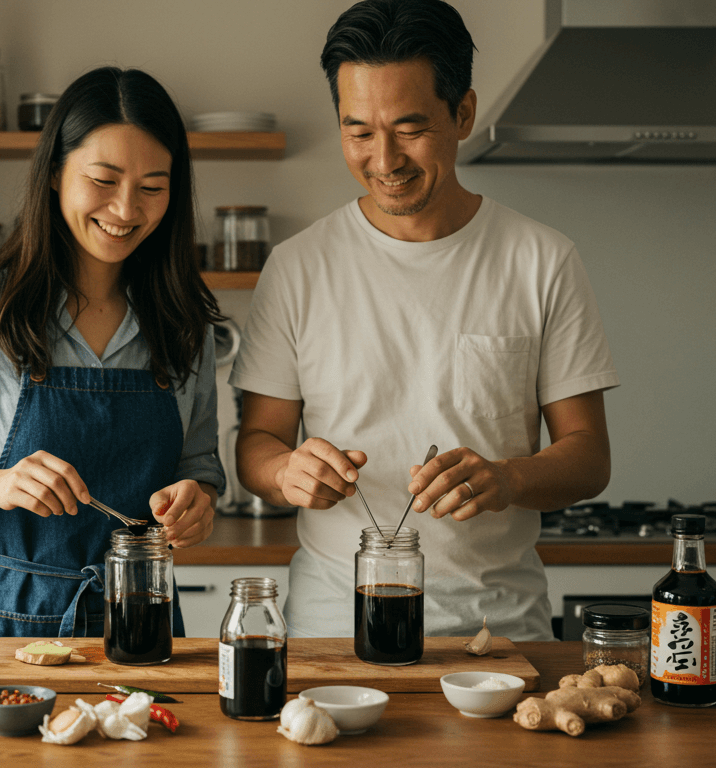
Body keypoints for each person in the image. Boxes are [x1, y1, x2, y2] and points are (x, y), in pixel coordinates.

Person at [230, 0, 618, 641]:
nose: (383, 160)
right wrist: (286, 472)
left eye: (409, 128)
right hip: (331, 633)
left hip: (499, 636)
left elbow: (589, 457)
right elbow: (256, 446)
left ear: (463, 113)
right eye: (358, 131)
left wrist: (507, 478)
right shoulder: (297, 267)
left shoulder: (542, 260)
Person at [0, 67, 226, 642]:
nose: (127, 208)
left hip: (141, 624)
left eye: (153, 187)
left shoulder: (186, 325)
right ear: (56, 173)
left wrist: (197, 505)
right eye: (103, 179)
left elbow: (199, 471)